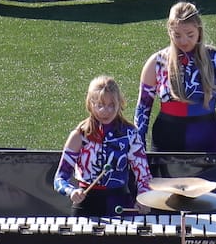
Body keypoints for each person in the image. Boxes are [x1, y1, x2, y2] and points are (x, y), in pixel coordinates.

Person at [136, 1, 216, 153]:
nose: (183, 41)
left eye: (190, 35)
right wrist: (138, 148)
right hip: (166, 140)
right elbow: (142, 109)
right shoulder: (156, 62)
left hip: (207, 138)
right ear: (169, 32)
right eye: (177, 35)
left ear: (199, 30)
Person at [54, 76, 151, 217]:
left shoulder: (131, 134)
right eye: (100, 105)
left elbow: (144, 176)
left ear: (119, 103)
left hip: (119, 204)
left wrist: (144, 198)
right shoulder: (79, 135)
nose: (106, 111)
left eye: (111, 105)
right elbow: (59, 178)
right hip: (86, 205)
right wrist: (71, 191)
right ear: (90, 104)